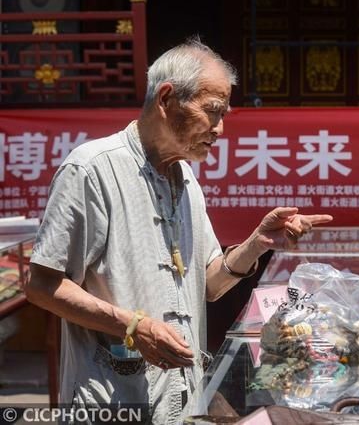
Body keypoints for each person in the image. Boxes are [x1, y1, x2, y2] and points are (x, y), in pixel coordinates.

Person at [25, 38, 332, 423]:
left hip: (181, 402)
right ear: (167, 98)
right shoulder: (91, 170)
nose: (220, 129)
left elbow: (208, 285)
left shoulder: (184, 177)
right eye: (212, 112)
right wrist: (134, 327)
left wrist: (257, 244)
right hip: (112, 401)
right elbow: (41, 285)